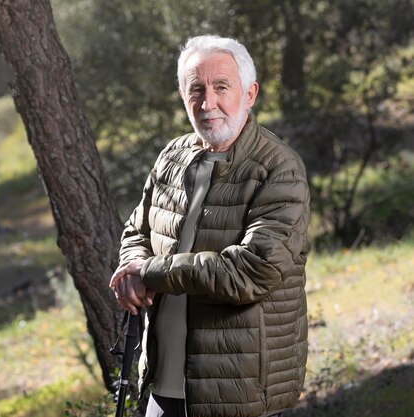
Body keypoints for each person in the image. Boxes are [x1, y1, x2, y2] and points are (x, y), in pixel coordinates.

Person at [109, 34, 310, 417]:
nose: (208, 102)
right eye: (195, 89)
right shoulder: (173, 154)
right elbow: (137, 230)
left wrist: (150, 271)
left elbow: (253, 271)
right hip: (163, 383)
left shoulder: (279, 168)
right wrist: (133, 268)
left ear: (249, 94)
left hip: (240, 393)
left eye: (222, 87)